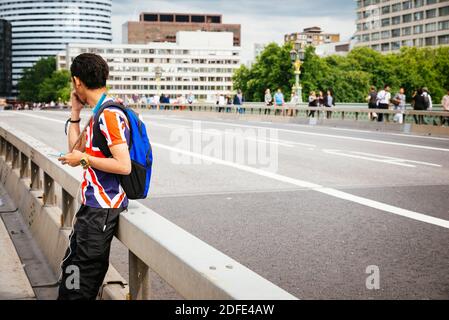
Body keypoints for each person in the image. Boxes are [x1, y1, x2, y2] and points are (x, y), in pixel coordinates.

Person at [57, 53, 131, 300]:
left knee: (81, 284)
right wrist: (75, 113)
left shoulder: (109, 115)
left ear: (77, 81)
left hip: (102, 208)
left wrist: (84, 160)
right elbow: (75, 152)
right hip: (92, 208)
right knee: (72, 268)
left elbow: (123, 165)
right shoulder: (98, 112)